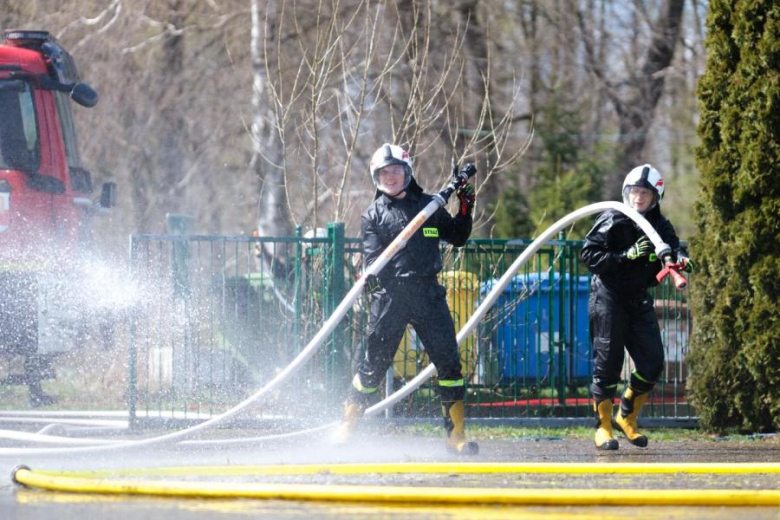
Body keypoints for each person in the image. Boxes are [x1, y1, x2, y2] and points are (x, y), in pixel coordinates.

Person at [335, 143, 478, 455]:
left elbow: (458, 236)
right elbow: (374, 259)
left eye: (396, 171)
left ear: (407, 172)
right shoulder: (373, 215)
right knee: (372, 366)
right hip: (391, 298)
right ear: (377, 177)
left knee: (450, 364)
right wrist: (370, 278)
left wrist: (465, 206)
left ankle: (456, 436)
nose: (391, 177)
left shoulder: (430, 206)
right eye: (384, 173)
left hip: (428, 295)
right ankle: (348, 426)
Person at [581, 164, 693, 450]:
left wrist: (681, 258)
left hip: (639, 298)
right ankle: (603, 428)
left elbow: (674, 245)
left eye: (645, 193)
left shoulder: (660, 225)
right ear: (626, 193)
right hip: (608, 297)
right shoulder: (613, 218)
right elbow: (589, 253)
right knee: (607, 365)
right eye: (634, 192)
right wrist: (624, 255)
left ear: (656, 197)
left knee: (652, 362)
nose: (639, 198)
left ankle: (626, 416)